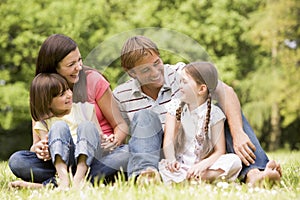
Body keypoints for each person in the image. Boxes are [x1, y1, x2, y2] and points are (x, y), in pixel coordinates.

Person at [113, 35, 281, 186]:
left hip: (197, 151)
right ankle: (148, 177)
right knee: (144, 118)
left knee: (224, 112)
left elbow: (226, 92)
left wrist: (237, 133)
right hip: (158, 156)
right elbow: (115, 130)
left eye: (157, 63)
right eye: (145, 70)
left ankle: (254, 173)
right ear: (131, 73)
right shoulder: (120, 95)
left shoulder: (182, 74)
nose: (156, 72)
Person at [8, 34, 130, 188]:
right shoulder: (42, 93)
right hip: (59, 160)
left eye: (79, 60)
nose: (78, 67)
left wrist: (114, 141)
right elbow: (37, 143)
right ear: (54, 67)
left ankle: (55, 184)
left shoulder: (94, 80)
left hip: (97, 156)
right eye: (71, 64)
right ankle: (76, 180)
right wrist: (39, 150)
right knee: (18, 161)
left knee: (128, 152)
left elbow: (121, 125)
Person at [10, 73, 106, 189]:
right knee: (17, 160)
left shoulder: (86, 109)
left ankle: (72, 180)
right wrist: (39, 149)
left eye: (67, 89)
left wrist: (105, 140)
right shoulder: (44, 121)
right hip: (59, 164)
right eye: (62, 94)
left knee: (123, 152)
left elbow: (99, 135)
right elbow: (41, 147)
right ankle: (64, 179)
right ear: (48, 102)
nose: (69, 95)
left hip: (88, 160)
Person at [158, 62, 242, 184]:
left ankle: (193, 179)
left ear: (202, 89)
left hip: (203, 168)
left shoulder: (215, 114)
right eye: (180, 81)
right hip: (179, 167)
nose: (180, 86)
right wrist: (171, 159)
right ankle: (194, 179)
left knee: (234, 161)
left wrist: (202, 165)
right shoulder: (174, 107)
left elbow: (220, 151)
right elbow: (168, 140)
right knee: (162, 167)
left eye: (185, 82)